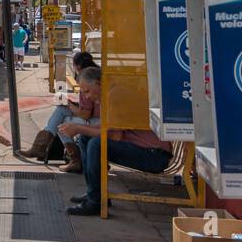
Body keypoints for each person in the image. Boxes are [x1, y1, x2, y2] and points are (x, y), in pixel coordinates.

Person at [62, 68, 172, 216]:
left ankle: (95, 202)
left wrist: (78, 127)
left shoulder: (116, 96)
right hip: (145, 150)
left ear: (98, 83)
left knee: (96, 144)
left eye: (87, 91)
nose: (87, 97)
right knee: (86, 138)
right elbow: (108, 130)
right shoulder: (112, 94)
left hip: (154, 155)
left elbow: (115, 136)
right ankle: (95, 194)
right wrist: (80, 129)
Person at [23, 50, 98, 168]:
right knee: (60, 110)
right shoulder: (93, 75)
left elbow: (86, 114)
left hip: (95, 119)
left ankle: (73, 158)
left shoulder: (86, 80)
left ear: (77, 66)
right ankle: (40, 146)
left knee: (61, 125)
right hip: (95, 116)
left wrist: (69, 105)